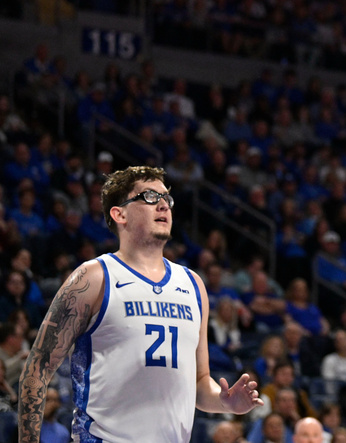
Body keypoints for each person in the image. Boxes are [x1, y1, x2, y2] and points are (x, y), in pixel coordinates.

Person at [18, 166, 263, 443]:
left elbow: (199, 383)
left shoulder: (194, 285)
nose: (163, 204)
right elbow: (37, 369)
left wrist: (224, 401)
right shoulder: (94, 278)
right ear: (119, 213)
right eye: (148, 196)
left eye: (167, 198)